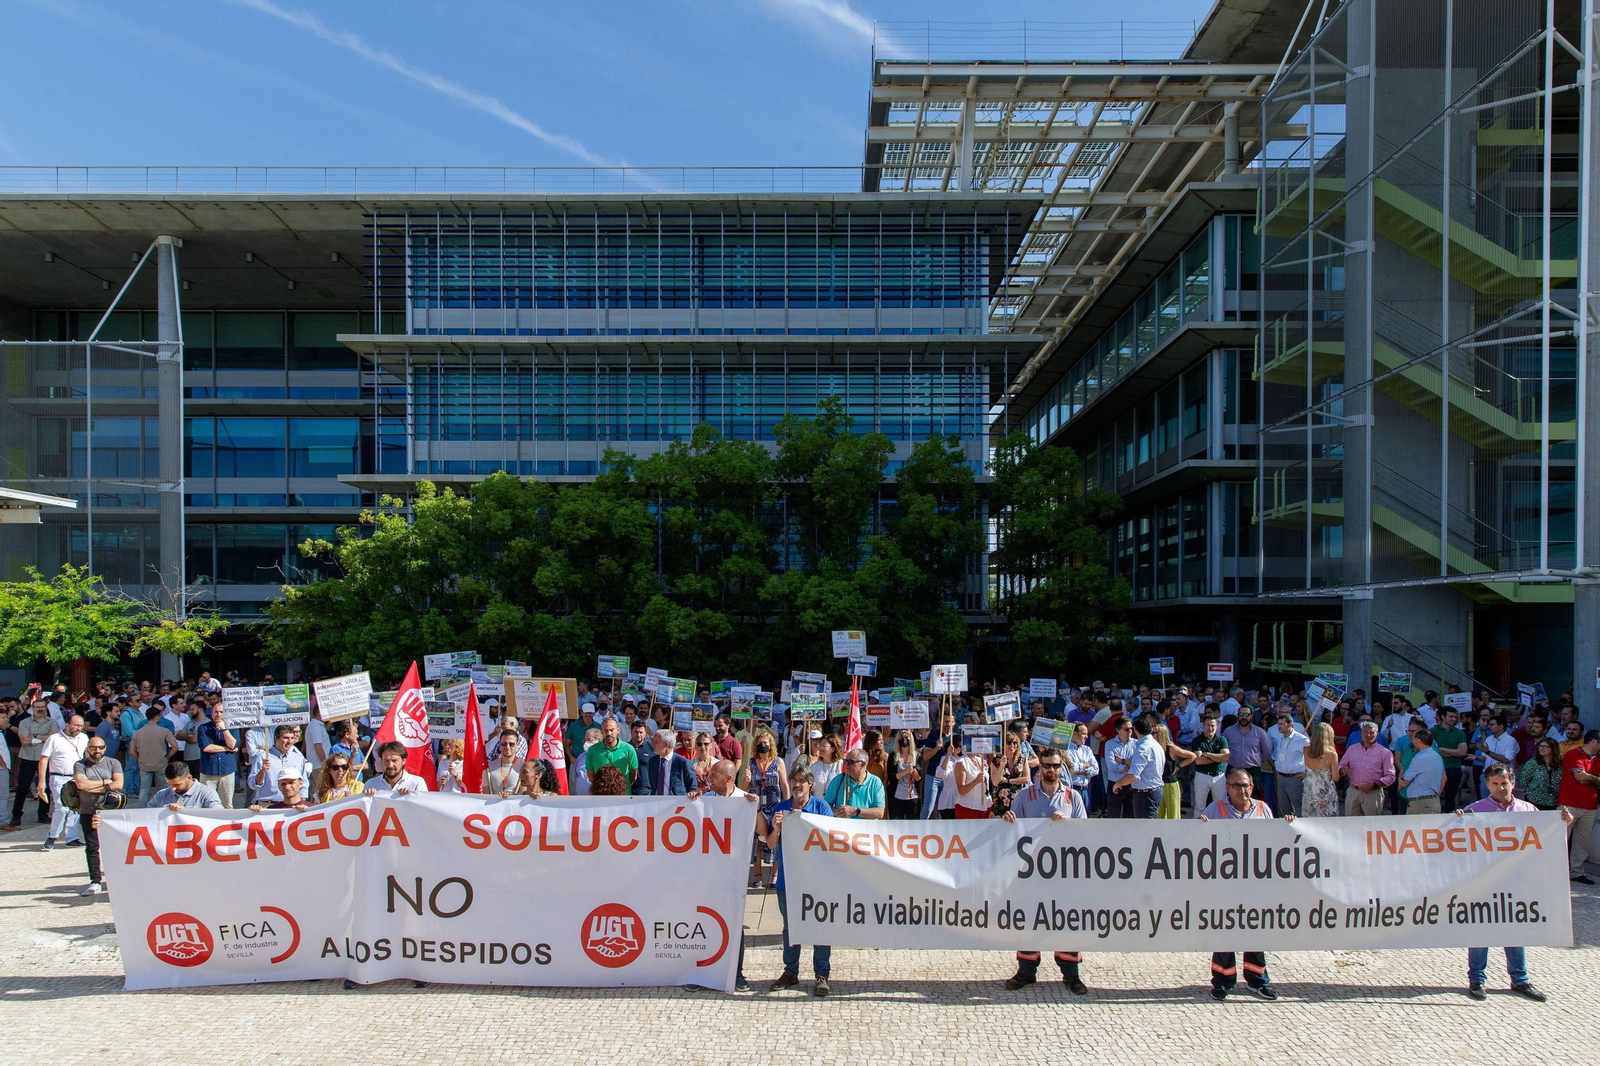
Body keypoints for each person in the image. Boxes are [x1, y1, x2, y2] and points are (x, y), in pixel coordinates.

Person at [1455, 763, 1571, 1000]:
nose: (1500, 787)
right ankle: (1477, 979)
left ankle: (1520, 980)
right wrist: (1456, 821)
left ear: (1513, 783)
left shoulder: (1528, 810)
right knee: (1480, 929)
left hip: (1518, 881)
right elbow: (1455, 840)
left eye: (1504, 783)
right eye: (1495, 783)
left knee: (1515, 929)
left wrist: (1562, 822)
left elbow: (1547, 834)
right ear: (1487, 785)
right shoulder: (1474, 811)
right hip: (1484, 881)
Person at [999, 748, 1089, 994]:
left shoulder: (1073, 797)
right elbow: (1012, 829)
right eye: (1046, 765)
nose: (1051, 770)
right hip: (1032, 872)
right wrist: (1007, 820)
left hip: (1063, 872)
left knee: (1067, 921)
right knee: (1029, 920)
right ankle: (1026, 971)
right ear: (1040, 767)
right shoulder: (1025, 795)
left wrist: (1069, 824)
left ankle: (1071, 974)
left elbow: (1086, 832)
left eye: (1055, 766)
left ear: (1062, 768)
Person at [1197, 768, 1291, 1001]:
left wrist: (1288, 826)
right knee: (1224, 933)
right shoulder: (1215, 810)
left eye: (1245, 785)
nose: (1242, 790)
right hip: (1224, 884)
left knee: (1254, 932)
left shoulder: (1263, 809)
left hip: (1255, 885)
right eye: (1236, 785)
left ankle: (1257, 980)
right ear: (1227, 788)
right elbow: (1198, 842)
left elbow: (1275, 841)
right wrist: (1199, 826)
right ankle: (1223, 981)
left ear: (1252, 787)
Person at [763, 767, 834, 996]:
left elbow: (831, 839)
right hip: (788, 879)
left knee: (820, 926)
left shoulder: (821, 808)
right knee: (790, 927)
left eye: (801, 780)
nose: (796, 784)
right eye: (794, 780)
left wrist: (807, 821)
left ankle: (821, 974)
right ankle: (790, 972)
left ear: (810, 784)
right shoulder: (780, 808)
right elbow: (771, 844)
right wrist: (777, 827)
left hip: (817, 879)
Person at [72, 734, 123, 896]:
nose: (97, 751)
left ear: (105, 748)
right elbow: (81, 784)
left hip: (110, 811)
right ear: (88, 749)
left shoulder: (113, 763)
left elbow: (119, 784)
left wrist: (93, 787)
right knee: (92, 847)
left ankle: (117, 878)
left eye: (100, 747)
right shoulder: (80, 764)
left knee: (115, 846)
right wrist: (105, 783)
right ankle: (95, 881)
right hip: (88, 810)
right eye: (93, 748)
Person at [742, 728, 788, 888]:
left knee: (775, 838)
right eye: (760, 743)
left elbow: (784, 785)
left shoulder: (778, 762)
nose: (763, 745)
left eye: (765, 743)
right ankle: (758, 874)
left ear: (771, 745)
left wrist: (787, 805)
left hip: (775, 803)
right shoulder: (751, 762)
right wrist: (746, 780)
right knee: (757, 840)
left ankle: (774, 875)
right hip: (756, 805)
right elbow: (744, 787)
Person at [37, 713, 88, 849]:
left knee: (75, 807)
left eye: (81, 726)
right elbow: (44, 759)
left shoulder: (83, 738)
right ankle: (53, 836)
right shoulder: (54, 739)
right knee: (61, 807)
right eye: (76, 725)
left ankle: (72, 837)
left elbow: (86, 756)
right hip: (59, 776)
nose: (78, 728)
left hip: (77, 777)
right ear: (67, 724)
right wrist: (42, 781)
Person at [5, 700, 58, 829]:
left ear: (45, 708)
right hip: (27, 758)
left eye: (42, 707)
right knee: (22, 788)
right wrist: (44, 737)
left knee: (45, 788)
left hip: (45, 759)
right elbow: (24, 740)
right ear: (33, 708)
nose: (40, 709)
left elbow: (54, 739)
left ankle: (43, 815)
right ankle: (16, 816)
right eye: (37, 707)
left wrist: (34, 736)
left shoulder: (52, 722)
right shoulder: (25, 722)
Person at [1558, 730, 1600, 884]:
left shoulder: (1598, 758)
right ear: (1594, 742)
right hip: (1568, 804)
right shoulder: (1573, 754)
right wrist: (1595, 779)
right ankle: (1554, 870)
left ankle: (1576, 872)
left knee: (1583, 842)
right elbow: (1580, 778)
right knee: (1560, 839)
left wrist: (1589, 777)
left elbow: (1585, 778)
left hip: (1590, 805)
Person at [1111, 716, 1165, 819]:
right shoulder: (1155, 744)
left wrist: (1118, 784)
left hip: (1145, 794)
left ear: (1135, 730)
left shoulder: (1143, 748)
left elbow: (1133, 776)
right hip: (1154, 791)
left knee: (1145, 827)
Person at [1338, 720, 1394, 816]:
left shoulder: (1385, 752)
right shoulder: (1352, 749)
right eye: (1365, 732)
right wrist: (1342, 770)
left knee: (1371, 823)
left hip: (1373, 792)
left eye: (1372, 732)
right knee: (1350, 822)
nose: (1368, 735)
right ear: (1361, 733)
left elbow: (1390, 776)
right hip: (1353, 791)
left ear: (1377, 734)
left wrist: (1374, 785)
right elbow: (1340, 765)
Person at [250, 724, 308, 804]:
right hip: (268, 805)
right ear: (276, 739)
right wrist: (262, 771)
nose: (289, 742)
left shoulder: (298, 758)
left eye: (292, 738)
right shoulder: (262, 757)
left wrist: (302, 802)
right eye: (286, 738)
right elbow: (252, 784)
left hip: (292, 806)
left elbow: (304, 783)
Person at [1221, 707, 1274, 795]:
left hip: (1253, 771)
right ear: (1238, 715)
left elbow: (1267, 752)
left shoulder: (1260, 732)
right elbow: (1223, 749)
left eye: (1246, 714)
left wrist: (1256, 760)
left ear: (1251, 716)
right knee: (1232, 797)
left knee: (1254, 797)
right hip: (1233, 769)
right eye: (1241, 714)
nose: (1244, 717)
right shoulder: (1228, 731)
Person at [195, 703, 239, 808]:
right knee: (207, 804)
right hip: (209, 772)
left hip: (226, 771)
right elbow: (206, 747)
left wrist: (224, 729)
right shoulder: (203, 728)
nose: (218, 714)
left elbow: (233, 744)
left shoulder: (233, 727)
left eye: (221, 712)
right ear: (212, 713)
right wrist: (227, 749)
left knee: (227, 804)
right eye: (216, 712)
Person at [824, 748, 887, 819]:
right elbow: (825, 805)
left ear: (862, 764)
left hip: (866, 826)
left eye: (851, 762)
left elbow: (879, 813)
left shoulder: (875, 782)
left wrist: (855, 811)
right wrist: (836, 812)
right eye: (845, 761)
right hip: (843, 825)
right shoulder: (839, 779)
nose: (846, 764)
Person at [937, 732, 988, 819]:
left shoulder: (968, 760)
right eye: (960, 746)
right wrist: (948, 754)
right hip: (949, 800)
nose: (962, 749)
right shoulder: (947, 759)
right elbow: (941, 774)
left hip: (961, 798)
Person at [1269, 712, 1310, 817]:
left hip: (1295, 778)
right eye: (1278, 724)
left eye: (1282, 724)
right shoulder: (1279, 738)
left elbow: (1310, 758)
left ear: (1290, 724)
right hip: (1281, 777)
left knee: (1298, 806)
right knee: (1284, 807)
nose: (1279, 726)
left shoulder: (1302, 739)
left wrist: (1307, 773)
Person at [1189, 712, 1229, 814]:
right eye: (1208, 725)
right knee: (1200, 806)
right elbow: (1198, 761)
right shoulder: (1197, 740)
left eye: (1212, 725)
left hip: (1219, 776)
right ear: (1203, 725)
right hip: (1202, 776)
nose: (1210, 728)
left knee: (1220, 806)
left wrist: (1207, 754)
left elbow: (1225, 757)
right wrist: (1218, 757)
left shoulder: (1221, 739)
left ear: (1216, 726)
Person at [1472, 714, 1520, 798]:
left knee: (1501, 801)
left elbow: (1506, 760)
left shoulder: (1510, 741)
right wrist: (1476, 757)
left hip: (1502, 777)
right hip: (1486, 775)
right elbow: (1484, 757)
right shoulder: (1489, 739)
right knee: (1486, 801)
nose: (1488, 727)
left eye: (1491, 724)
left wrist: (1487, 752)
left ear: (1501, 726)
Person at [1152, 723, 1194, 818]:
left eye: (1153, 733)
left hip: (1170, 784)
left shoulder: (1171, 748)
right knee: (1159, 816)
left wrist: (1179, 766)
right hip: (1157, 785)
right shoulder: (1153, 748)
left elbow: (1192, 756)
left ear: (1161, 734)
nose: (1151, 735)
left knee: (1173, 815)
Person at [585, 718, 638, 791]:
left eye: (611, 730)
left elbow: (633, 774)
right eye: (606, 730)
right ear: (602, 732)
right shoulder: (592, 750)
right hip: (601, 794)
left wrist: (621, 787)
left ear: (618, 730)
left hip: (623, 794)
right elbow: (591, 776)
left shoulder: (629, 749)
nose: (609, 733)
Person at [1300, 722, 1341, 817]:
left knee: (1310, 819)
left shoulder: (1306, 749)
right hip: (1325, 791)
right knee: (1327, 820)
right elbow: (1336, 778)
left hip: (1310, 789)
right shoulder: (1332, 755)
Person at [147, 760, 224, 809]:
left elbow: (217, 816)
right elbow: (147, 815)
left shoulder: (207, 794)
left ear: (189, 778)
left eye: (177, 785)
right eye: (169, 784)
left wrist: (186, 812)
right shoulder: (160, 795)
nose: (172, 789)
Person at [1433, 706, 1469, 809]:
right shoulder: (1432, 731)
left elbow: (1463, 752)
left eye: (1455, 717)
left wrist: (1442, 749)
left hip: (1454, 768)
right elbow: (1433, 752)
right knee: (1435, 797)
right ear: (1443, 717)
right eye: (1451, 716)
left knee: (1451, 799)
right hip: (1437, 768)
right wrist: (1454, 752)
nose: (1454, 719)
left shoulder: (1460, 733)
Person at [989, 731, 1031, 817]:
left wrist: (1007, 780)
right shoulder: (996, 761)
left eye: (1014, 743)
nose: (1012, 745)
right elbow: (995, 782)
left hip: (1018, 800)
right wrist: (1001, 766)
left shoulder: (1023, 759)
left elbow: (1026, 779)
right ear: (1003, 745)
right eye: (1009, 743)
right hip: (1001, 801)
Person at [364, 740, 429, 795]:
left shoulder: (417, 783)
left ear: (403, 761)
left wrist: (411, 798)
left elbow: (423, 805)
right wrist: (367, 797)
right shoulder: (371, 784)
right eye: (386, 761)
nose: (390, 765)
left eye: (394, 761)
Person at [641, 729, 693, 796]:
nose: (653, 744)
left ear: (666, 744)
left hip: (675, 801)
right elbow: (652, 784)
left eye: (656, 742)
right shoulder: (652, 761)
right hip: (656, 800)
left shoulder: (683, 763)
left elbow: (692, 787)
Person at [1518, 737, 1563, 810]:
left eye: (1545, 746)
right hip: (1534, 801)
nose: (1541, 748)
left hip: (1553, 802)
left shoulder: (1560, 764)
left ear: (1553, 749)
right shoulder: (1532, 763)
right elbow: (1524, 781)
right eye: (1540, 746)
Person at [885, 730, 922, 819]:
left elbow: (919, 779)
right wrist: (905, 771)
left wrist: (915, 774)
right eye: (901, 738)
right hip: (896, 797)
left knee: (912, 824)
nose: (904, 740)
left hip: (913, 797)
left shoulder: (917, 756)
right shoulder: (893, 756)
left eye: (906, 738)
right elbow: (891, 777)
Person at [484, 730, 525, 796]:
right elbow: (485, 794)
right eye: (504, 744)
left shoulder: (524, 767)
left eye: (511, 744)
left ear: (517, 745)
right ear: (499, 745)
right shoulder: (489, 767)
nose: (507, 747)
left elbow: (525, 793)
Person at [809, 733, 843, 798]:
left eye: (824, 745)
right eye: (820, 745)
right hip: (818, 802)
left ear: (833, 748)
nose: (820, 748)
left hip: (835, 804)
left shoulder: (841, 765)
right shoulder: (814, 767)